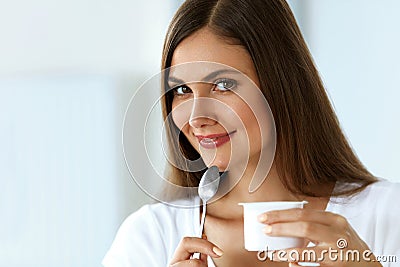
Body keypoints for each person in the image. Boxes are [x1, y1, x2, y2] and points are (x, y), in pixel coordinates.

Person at [102, 0, 400, 266]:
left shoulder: (387, 215)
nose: (196, 118)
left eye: (222, 85)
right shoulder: (150, 236)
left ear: (282, 84)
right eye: (181, 90)